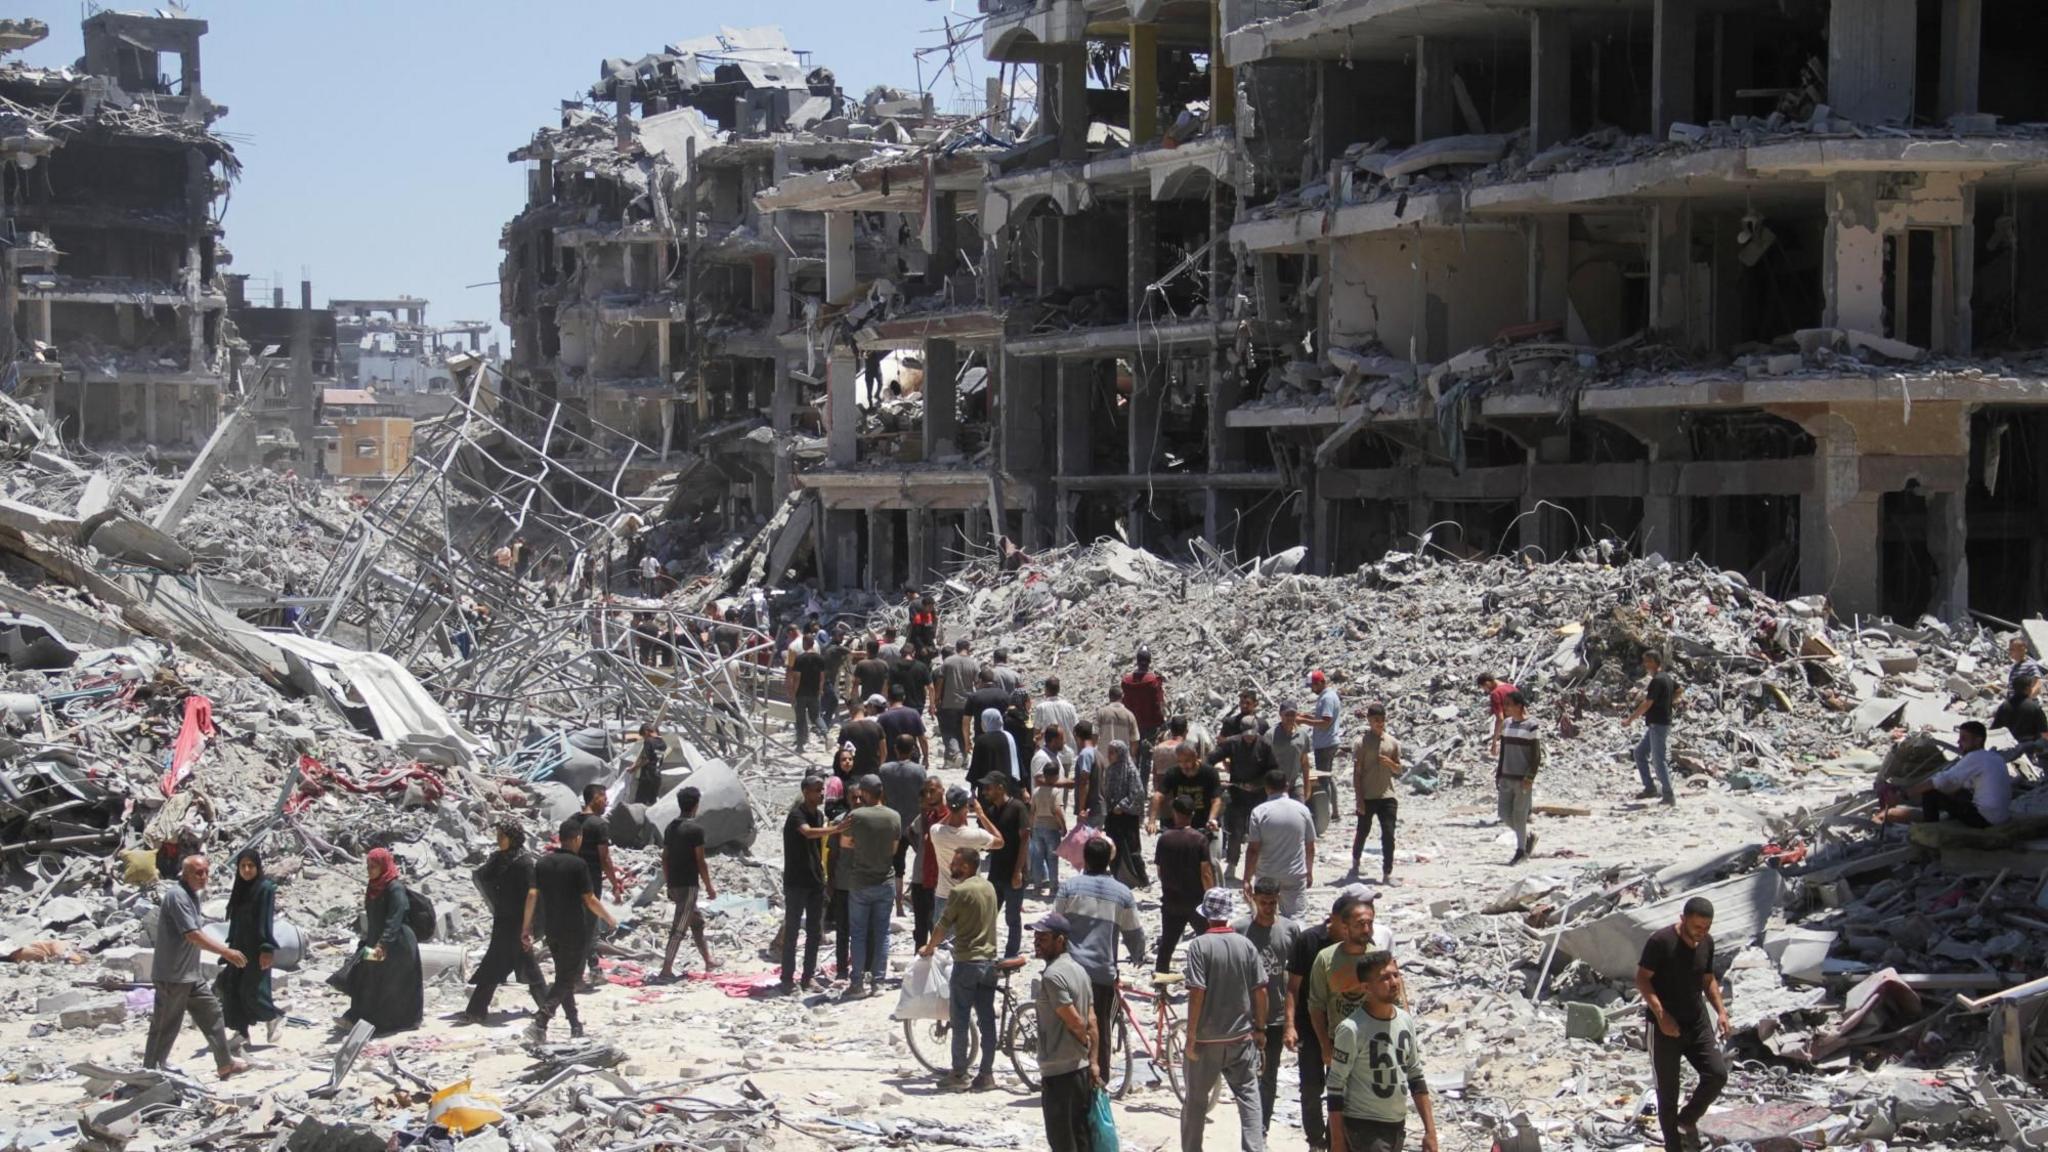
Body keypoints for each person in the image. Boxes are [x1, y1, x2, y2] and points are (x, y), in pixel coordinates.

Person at [1635, 897, 1729, 1152]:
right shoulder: (1660, 942)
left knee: (1717, 1074)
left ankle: (1687, 1119)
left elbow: (1708, 979)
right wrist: (1662, 1015)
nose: (1702, 932)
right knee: (1668, 1095)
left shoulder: (1706, 943)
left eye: (1707, 927)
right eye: (1698, 927)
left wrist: (1721, 1011)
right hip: (1664, 1025)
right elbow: (1643, 980)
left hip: (1696, 1021)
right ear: (1683, 919)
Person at [145, 855, 249, 1078]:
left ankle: (225, 1063)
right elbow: (192, 935)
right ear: (185, 874)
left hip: (190, 974)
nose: (203, 877)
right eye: (198, 873)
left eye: (206, 873)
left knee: (212, 1013)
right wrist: (226, 952)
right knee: (165, 1026)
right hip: (172, 976)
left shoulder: (192, 895)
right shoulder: (177, 896)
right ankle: (149, 1073)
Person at [1182, 887, 1269, 1152]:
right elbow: (1261, 990)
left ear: (1207, 915)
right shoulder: (1246, 945)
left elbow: (1197, 991)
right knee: (1249, 1098)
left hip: (1207, 1041)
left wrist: (1191, 1036)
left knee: (1196, 1101)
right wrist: (1261, 1029)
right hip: (1241, 1038)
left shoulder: (1199, 945)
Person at [1054, 836, 1147, 1082]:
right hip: (1102, 972)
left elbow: (1055, 923)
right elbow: (1133, 932)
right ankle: (1100, 1081)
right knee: (1101, 1028)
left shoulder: (1069, 888)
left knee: (1067, 1023)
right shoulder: (1123, 894)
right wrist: (1139, 954)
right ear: (1109, 861)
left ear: (1085, 859)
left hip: (1070, 970)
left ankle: (1067, 1076)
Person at [1326, 951, 1439, 1152]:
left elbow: (1415, 1076)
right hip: (1363, 1126)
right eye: (1384, 978)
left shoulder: (1405, 1021)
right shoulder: (1351, 1029)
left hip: (1396, 1125)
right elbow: (1335, 1087)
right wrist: (1337, 1142)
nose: (1394, 982)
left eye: (1395, 975)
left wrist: (1430, 1131)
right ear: (1366, 987)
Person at [525, 819, 618, 1044]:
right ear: (577, 838)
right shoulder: (579, 865)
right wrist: (608, 917)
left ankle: (575, 1025)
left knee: (563, 977)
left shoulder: (543, 863)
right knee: (568, 978)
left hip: (552, 928)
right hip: (575, 929)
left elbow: (532, 896)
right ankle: (541, 1020)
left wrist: (525, 927)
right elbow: (589, 898)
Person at [1286, 892, 1366, 1151]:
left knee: (1339, 1091)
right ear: (1335, 919)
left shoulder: (1358, 945)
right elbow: (1293, 987)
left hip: (1343, 1030)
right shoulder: (1309, 941)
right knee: (1310, 1089)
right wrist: (1289, 1025)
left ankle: (1335, 1142)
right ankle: (1316, 1141)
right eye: (1348, 923)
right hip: (1308, 1028)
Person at [920, 847, 1000, 1090]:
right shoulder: (989, 887)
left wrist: (929, 947)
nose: (951, 867)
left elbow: (942, 925)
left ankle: (959, 1074)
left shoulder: (959, 891)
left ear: (965, 866)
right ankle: (986, 1074)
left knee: (961, 1018)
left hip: (967, 962)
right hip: (990, 962)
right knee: (987, 1020)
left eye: (955, 863)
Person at [1234, 877, 1302, 1137]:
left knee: (1269, 1077)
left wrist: (1292, 1022)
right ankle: (1249, 1127)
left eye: (1273, 903)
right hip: (1245, 1018)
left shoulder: (1289, 930)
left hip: (1276, 1018)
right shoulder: (1240, 930)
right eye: (1263, 902)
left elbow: (1295, 976)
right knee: (1245, 1078)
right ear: (1254, 900)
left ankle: (1260, 1130)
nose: (1268, 907)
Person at [461, 823, 547, 1023]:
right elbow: (485, 878)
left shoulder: (524, 862)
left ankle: (477, 1010)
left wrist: (527, 927)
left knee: (510, 964)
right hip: (503, 921)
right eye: (497, 834)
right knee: (508, 964)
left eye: (502, 835)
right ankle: (546, 1006)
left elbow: (531, 894)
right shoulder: (499, 859)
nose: (498, 839)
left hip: (517, 922)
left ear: (513, 837)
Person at [1030, 911, 1100, 1152]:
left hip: (1061, 1073)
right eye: (1036, 937)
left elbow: (1077, 1022)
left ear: (1060, 940)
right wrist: (1093, 1062)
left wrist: (1085, 1045)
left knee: (1062, 1142)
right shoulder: (1079, 970)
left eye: (1044, 938)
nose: (1037, 942)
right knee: (1081, 1139)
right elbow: (1092, 1020)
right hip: (1079, 1070)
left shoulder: (1052, 976)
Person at [1306, 888, 1393, 1066]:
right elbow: (1316, 1005)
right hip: (1340, 1043)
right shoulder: (1326, 958)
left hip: (1376, 1042)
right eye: (1360, 924)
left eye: (1370, 923)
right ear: (1345, 927)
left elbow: (1395, 1001)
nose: (1366, 929)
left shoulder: (1380, 958)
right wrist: (1325, 1046)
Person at [346, 847, 423, 1035]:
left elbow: (395, 918)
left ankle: (396, 1022)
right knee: (367, 977)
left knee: (394, 984)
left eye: (374, 866)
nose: (370, 870)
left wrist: (383, 943)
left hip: (397, 944)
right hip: (377, 941)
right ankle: (360, 1017)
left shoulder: (394, 888)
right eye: (368, 866)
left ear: (383, 866)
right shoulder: (373, 887)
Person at [841, 775, 903, 998]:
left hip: (860, 882)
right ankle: (878, 981)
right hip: (885, 881)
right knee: (882, 933)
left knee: (857, 934)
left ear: (865, 793)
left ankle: (857, 983)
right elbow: (894, 849)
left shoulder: (855, 816)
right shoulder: (894, 816)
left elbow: (845, 843)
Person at [216, 848, 282, 1049]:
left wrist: (266, 948)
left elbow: (265, 921)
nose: (246, 870)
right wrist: (228, 949)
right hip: (237, 948)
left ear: (257, 867)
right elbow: (235, 921)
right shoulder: (240, 889)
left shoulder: (265, 889)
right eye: (242, 866)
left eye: (250, 866)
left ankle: (273, 1016)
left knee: (251, 991)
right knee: (231, 989)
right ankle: (241, 1033)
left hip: (256, 950)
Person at [1896, 720, 2018, 828]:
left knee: (1930, 792)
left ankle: (1930, 829)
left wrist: (1904, 794)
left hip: (1986, 819)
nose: (1959, 742)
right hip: (2001, 816)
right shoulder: (1995, 757)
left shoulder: (1974, 757)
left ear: (1978, 740)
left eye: (1964, 739)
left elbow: (1942, 781)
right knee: (1959, 792)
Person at [658, 787, 719, 980]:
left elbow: (665, 858)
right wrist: (709, 886)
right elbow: (701, 861)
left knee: (697, 922)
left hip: (675, 883)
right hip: (688, 884)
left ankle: (708, 960)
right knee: (679, 927)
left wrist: (668, 884)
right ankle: (666, 969)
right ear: (696, 805)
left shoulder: (670, 827)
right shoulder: (696, 829)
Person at [1211, 717, 1278, 883]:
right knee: (1236, 831)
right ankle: (1232, 865)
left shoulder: (1265, 745)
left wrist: (1258, 784)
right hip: (1238, 793)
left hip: (1259, 794)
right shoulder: (1232, 743)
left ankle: (1261, 866)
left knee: (1261, 831)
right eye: (1246, 734)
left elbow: (1273, 771)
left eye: (1252, 734)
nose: (1249, 737)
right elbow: (1212, 758)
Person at [781, 776, 832, 991]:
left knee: (814, 931)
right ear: (805, 792)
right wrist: (834, 830)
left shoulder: (819, 815)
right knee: (792, 931)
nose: (821, 794)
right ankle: (786, 978)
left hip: (815, 880)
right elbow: (808, 833)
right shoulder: (796, 815)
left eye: (822, 790)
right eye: (816, 790)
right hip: (796, 881)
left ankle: (808, 976)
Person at [1153, 796, 1215, 972]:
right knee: (1208, 941)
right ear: (1192, 814)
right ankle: (1209, 977)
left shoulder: (1164, 839)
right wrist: (1210, 898)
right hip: (1196, 902)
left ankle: (1160, 985)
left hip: (1172, 900)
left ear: (1174, 813)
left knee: (1167, 945)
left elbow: (1159, 871)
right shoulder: (1200, 839)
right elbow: (1206, 873)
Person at [1245, 769, 1316, 917]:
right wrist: (1309, 872)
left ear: (1266, 788)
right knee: (1296, 917)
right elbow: (1310, 846)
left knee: (1264, 917)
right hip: (1294, 874)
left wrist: (1247, 878)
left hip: (1267, 875)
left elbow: (1253, 849)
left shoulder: (1259, 812)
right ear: (1287, 785)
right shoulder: (1302, 809)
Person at [929, 785, 1002, 924]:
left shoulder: (937, 833)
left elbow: (938, 825)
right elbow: (1000, 841)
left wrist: (951, 812)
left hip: (944, 895)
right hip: (970, 896)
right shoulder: (976, 835)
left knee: (942, 942)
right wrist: (981, 814)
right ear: (966, 808)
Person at [573, 784, 625, 978]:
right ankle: (586, 969)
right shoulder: (599, 824)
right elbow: (604, 859)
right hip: (591, 880)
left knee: (580, 923)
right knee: (590, 923)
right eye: (604, 797)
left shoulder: (572, 821)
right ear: (594, 798)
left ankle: (590, 965)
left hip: (572, 878)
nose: (607, 802)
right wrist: (615, 883)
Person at [1351, 703, 1403, 884]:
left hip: (1387, 795)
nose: (1379, 724)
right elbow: (1357, 773)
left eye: (1382, 720)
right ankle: (1355, 861)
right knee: (1363, 831)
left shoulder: (1393, 742)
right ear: (1369, 721)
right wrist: (1359, 799)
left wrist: (1390, 763)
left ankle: (1387, 872)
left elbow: (1398, 769)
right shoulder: (1361, 743)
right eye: (1376, 720)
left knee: (1388, 834)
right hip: (1368, 796)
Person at [982, 772, 1031, 959]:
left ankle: (1011, 955)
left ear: (1000, 787)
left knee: (1012, 917)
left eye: (989, 787)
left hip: (1014, 872)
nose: (986, 791)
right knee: (989, 915)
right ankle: (988, 951)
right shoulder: (992, 811)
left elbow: (1025, 839)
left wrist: (1018, 871)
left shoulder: (1018, 807)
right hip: (996, 873)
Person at [1094, 739, 1149, 887]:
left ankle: (1142, 879)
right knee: (1113, 846)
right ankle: (1118, 877)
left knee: (1132, 849)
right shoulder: (1111, 769)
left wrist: (1122, 805)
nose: (1110, 755)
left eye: (1113, 752)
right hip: (1112, 815)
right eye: (1109, 752)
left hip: (1127, 816)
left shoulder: (1130, 770)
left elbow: (1138, 793)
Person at [878, 733, 929, 889]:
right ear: (913, 749)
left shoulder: (884, 769)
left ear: (895, 748)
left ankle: (897, 896)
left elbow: (882, 796)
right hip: (914, 822)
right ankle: (914, 888)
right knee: (921, 856)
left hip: (892, 823)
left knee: (896, 863)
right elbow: (924, 796)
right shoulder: (919, 770)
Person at [1497, 690, 1542, 864]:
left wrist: (1529, 778)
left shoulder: (1531, 726)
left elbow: (1536, 756)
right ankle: (1526, 838)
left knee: (1519, 814)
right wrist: (1499, 773)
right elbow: (1503, 751)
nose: (1506, 708)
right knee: (1503, 812)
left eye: (1509, 704)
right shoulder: (1507, 724)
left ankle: (1521, 851)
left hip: (1522, 778)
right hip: (1507, 776)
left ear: (1519, 706)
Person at [1630, 651, 1679, 804]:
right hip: (1656, 724)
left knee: (1659, 760)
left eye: (1648, 662)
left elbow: (1647, 703)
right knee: (1639, 753)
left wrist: (1630, 719)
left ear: (1655, 662)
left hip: (1659, 724)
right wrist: (1668, 702)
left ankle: (1668, 795)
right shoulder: (1667, 678)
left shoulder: (1657, 681)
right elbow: (1679, 690)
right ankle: (1650, 788)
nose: (1645, 665)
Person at [908, 777, 949, 948]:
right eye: (926, 792)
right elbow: (910, 831)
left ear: (942, 790)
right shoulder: (926, 815)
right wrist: (920, 850)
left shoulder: (950, 816)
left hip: (940, 879)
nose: (929, 795)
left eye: (932, 791)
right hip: (921, 876)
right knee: (920, 927)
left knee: (937, 926)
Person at [1090, 687, 1141, 804]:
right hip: (1123, 759)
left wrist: (1094, 753)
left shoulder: (1101, 712)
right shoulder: (1129, 715)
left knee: (1103, 788)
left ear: (1109, 696)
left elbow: (1094, 735)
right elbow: (1135, 740)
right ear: (1122, 696)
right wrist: (1132, 757)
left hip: (1104, 757)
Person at [1303, 670, 1344, 816]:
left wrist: (1304, 721)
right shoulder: (1328, 696)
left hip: (1325, 744)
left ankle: (1324, 813)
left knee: (1323, 780)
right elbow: (1321, 717)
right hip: (1329, 742)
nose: (1312, 689)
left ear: (1320, 682)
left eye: (1313, 685)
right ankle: (1335, 811)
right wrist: (1306, 716)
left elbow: (1325, 722)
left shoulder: (1327, 698)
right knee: (1328, 777)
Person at [1031, 752, 1068, 895]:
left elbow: (1032, 810)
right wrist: (1063, 826)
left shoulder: (1036, 791)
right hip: (1052, 828)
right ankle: (1053, 887)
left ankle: (1037, 887)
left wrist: (1031, 826)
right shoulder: (1056, 792)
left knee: (1038, 858)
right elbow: (1057, 810)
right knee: (1052, 858)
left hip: (1037, 827)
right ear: (1055, 777)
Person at [939, 640, 980, 767]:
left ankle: (956, 753)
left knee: (949, 730)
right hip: (967, 703)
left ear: (956, 648)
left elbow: (940, 680)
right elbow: (978, 684)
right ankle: (964, 756)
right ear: (968, 648)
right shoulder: (973, 663)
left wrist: (937, 698)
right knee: (964, 729)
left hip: (949, 702)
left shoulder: (948, 661)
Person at [788, 634, 827, 753]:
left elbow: (797, 679)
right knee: (816, 717)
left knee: (800, 719)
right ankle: (826, 733)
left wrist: (793, 694)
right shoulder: (820, 659)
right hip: (814, 693)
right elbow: (822, 677)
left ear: (805, 643)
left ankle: (800, 746)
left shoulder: (800, 659)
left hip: (801, 694)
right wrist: (820, 690)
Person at [969, 706, 1020, 792]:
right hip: (1006, 786)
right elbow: (1017, 762)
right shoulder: (1009, 737)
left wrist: (973, 789)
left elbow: (976, 767)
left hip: (987, 789)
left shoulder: (981, 740)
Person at [1266, 703, 1311, 799]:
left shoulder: (1302, 735)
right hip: (1276, 785)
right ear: (1280, 715)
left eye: (1293, 714)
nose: (1290, 718)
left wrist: (1307, 786)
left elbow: (1304, 762)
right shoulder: (1271, 735)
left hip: (1296, 783)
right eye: (1287, 715)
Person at [878, 686, 931, 766]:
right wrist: (926, 757)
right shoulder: (914, 714)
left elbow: (880, 741)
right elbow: (922, 738)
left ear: (888, 698)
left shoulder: (883, 717)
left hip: (891, 759)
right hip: (912, 757)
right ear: (904, 697)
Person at [1034, 679, 1081, 765]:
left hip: (1049, 757)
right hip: (1069, 756)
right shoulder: (1070, 707)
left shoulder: (1041, 708)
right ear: (1059, 690)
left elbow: (1036, 733)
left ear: (1046, 690)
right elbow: (1076, 731)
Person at [840, 697, 887, 777]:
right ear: (864, 709)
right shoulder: (876, 726)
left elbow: (842, 754)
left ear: (850, 711)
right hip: (873, 772)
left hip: (854, 773)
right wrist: (878, 766)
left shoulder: (846, 729)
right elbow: (884, 752)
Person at [1476, 672, 1518, 760]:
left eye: (1484, 688)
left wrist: (1494, 742)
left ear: (1487, 683)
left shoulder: (1495, 694)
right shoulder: (1511, 687)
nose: (1485, 691)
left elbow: (1500, 718)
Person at [626, 721, 667, 807]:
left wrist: (634, 768)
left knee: (639, 804)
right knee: (651, 804)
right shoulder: (663, 743)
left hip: (647, 777)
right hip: (657, 778)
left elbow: (647, 759)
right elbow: (655, 758)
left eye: (643, 736)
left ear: (646, 732)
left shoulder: (649, 741)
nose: (644, 739)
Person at [1151, 716, 1189, 789]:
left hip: (1162, 793)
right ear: (1186, 731)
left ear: (1171, 730)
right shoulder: (1186, 750)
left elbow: (1155, 776)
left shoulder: (1158, 748)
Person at [854, 640, 893, 707]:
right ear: (878, 650)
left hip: (866, 699)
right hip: (879, 700)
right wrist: (885, 700)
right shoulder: (884, 664)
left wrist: (855, 700)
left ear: (867, 650)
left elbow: (855, 684)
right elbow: (886, 685)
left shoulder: (861, 664)